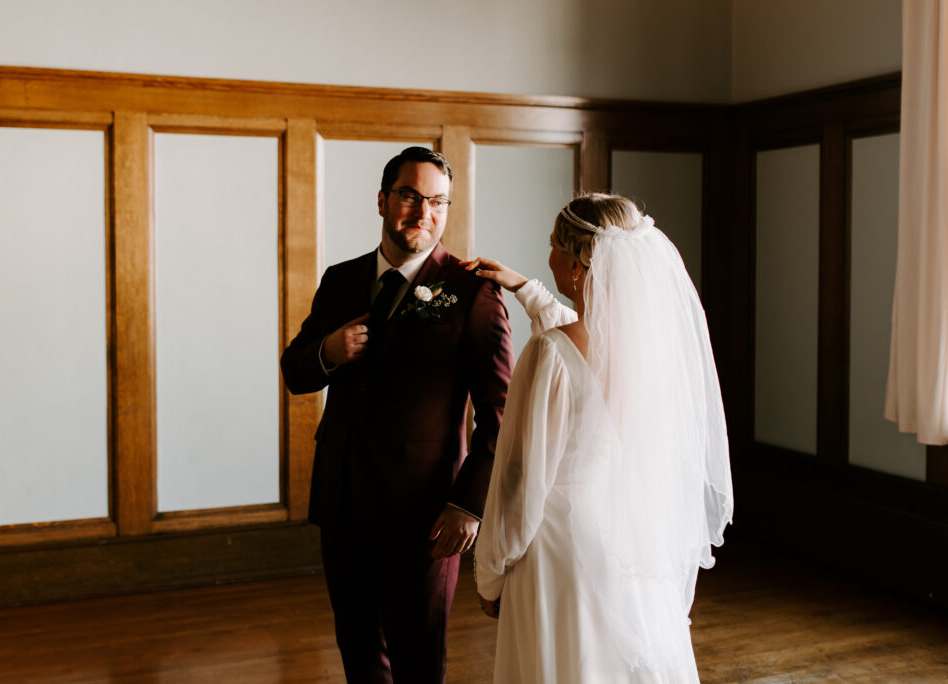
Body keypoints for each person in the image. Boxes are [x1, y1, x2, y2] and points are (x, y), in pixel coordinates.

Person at [466, 193, 733, 683]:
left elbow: (520, 483)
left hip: (557, 557)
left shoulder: (548, 353)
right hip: (629, 546)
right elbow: (579, 344)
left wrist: (490, 573)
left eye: (552, 245)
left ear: (574, 264)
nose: (547, 253)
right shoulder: (654, 352)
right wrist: (526, 288)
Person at [280, 147, 514, 683]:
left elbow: (501, 415)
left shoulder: (472, 291)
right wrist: (327, 353)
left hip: (426, 512)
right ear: (383, 200)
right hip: (342, 499)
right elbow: (296, 372)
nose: (423, 212)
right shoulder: (341, 280)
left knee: (417, 656)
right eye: (410, 196)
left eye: (438, 202)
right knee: (356, 647)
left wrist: (467, 505)